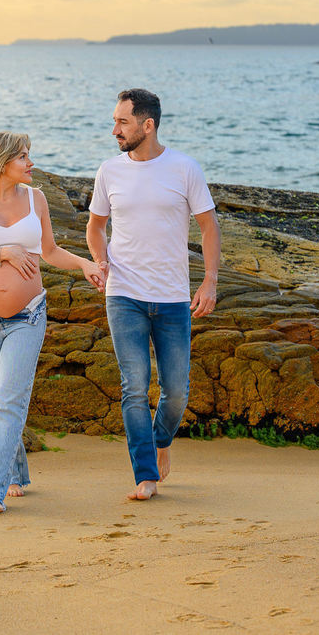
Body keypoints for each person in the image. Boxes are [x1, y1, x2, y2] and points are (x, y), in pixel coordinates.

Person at [0, 131, 105, 514]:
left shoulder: (36, 199)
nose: (30, 163)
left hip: (28, 315)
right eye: (23, 157)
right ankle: (17, 471)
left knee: (7, 402)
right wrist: (3, 252)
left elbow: (49, 251)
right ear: (3, 162)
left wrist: (85, 264)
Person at [86, 88, 221, 501]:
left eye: (122, 122)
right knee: (134, 386)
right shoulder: (109, 171)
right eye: (115, 121)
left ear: (148, 125)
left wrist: (210, 280)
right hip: (123, 294)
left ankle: (162, 440)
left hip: (173, 297)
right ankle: (144, 475)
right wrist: (101, 261)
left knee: (177, 390)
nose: (115, 130)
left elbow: (209, 227)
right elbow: (95, 228)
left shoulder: (184, 169)